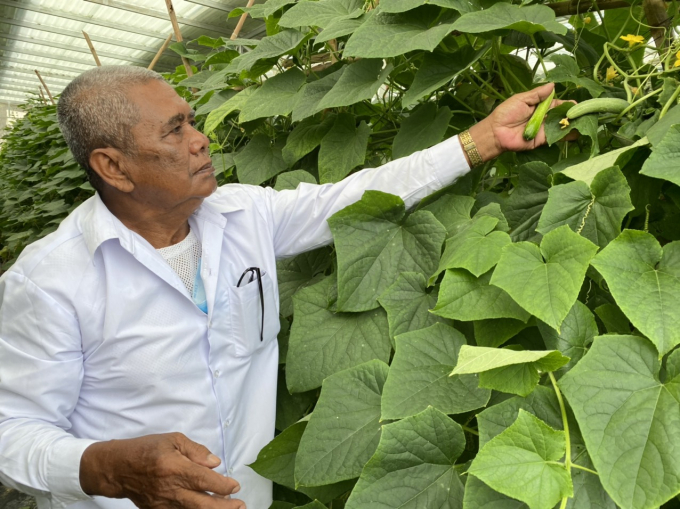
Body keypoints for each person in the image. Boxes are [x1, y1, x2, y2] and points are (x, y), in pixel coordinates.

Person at [0, 66, 565, 509]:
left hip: (247, 498)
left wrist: (483, 139)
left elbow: (356, 194)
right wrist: (109, 468)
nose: (201, 141)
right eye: (175, 130)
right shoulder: (49, 281)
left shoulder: (243, 214)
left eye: (192, 121)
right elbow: (11, 433)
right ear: (114, 167)